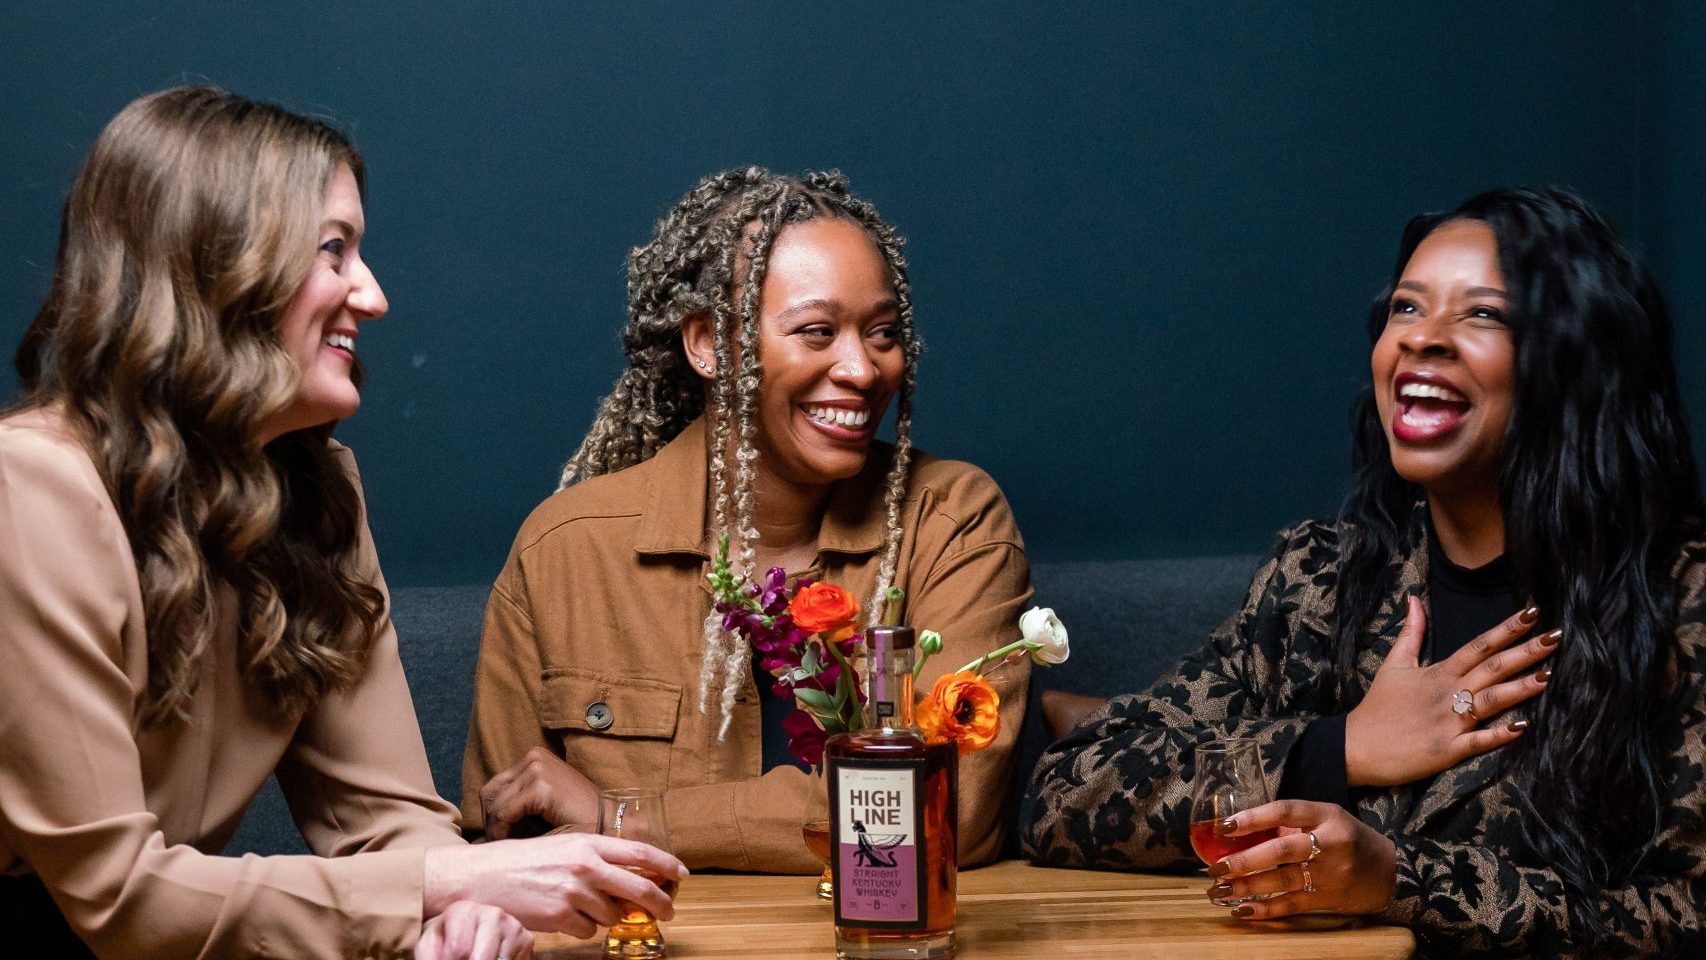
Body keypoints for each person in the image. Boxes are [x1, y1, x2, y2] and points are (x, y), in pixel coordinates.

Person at [0, 86, 683, 960]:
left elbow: (388, 816)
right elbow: (120, 897)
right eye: (336, 251)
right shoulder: (35, 488)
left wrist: (465, 911)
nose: (374, 295)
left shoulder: (315, 492)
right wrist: (451, 881)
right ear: (218, 266)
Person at [1023, 187, 1706, 957]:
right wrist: (1342, 746)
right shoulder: (1319, 579)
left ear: (1579, 360)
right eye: (1407, 309)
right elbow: (1065, 791)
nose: (1424, 339)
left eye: (1482, 314)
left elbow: (1686, 916)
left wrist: (1400, 882)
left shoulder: (1679, 603)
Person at [461, 167, 1033, 871]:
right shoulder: (564, 553)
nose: (861, 368)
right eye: (817, 331)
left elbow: (948, 812)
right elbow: (498, 857)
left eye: (883, 332)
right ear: (707, 343)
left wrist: (627, 819)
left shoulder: (951, 523)